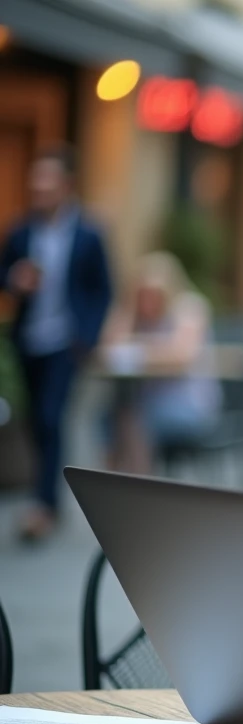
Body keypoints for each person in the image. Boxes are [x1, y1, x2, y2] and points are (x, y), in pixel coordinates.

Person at [0, 145, 113, 541]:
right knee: (35, 420)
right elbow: (4, 273)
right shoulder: (20, 230)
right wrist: (15, 279)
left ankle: (43, 504)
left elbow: (103, 289)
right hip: (28, 340)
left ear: (66, 184)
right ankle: (47, 499)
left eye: (47, 179)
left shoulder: (89, 233)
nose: (39, 187)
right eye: (36, 180)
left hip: (67, 343)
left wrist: (88, 337)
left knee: (50, 416)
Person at [100, 251, 221, 475]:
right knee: (108, 415)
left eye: (155, 293)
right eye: (142, 293)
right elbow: (109, 349)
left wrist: (138, 350)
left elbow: (181, 356)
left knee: (133, 417)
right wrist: (128, 306)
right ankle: (117, 485)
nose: (149, 300)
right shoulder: (137, 314)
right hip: (145, 400)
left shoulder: (189, 307)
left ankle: (140, 485)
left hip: (188, 403)